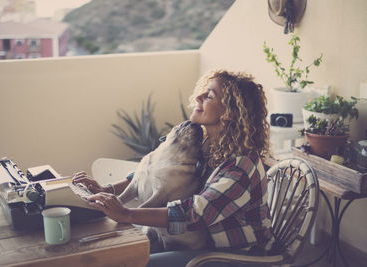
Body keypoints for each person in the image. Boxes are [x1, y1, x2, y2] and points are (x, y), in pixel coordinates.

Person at [73, 69, 274, 266]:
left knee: (138, 261)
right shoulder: (208, 145)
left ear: (229, 113)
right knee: (118, 253)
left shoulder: (241, 166)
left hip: (238, 256)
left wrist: (127, 214)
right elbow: (158, 171)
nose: (198, 97)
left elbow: (196, 213)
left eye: (209, 95)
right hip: (202, 244)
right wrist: (107, 190)